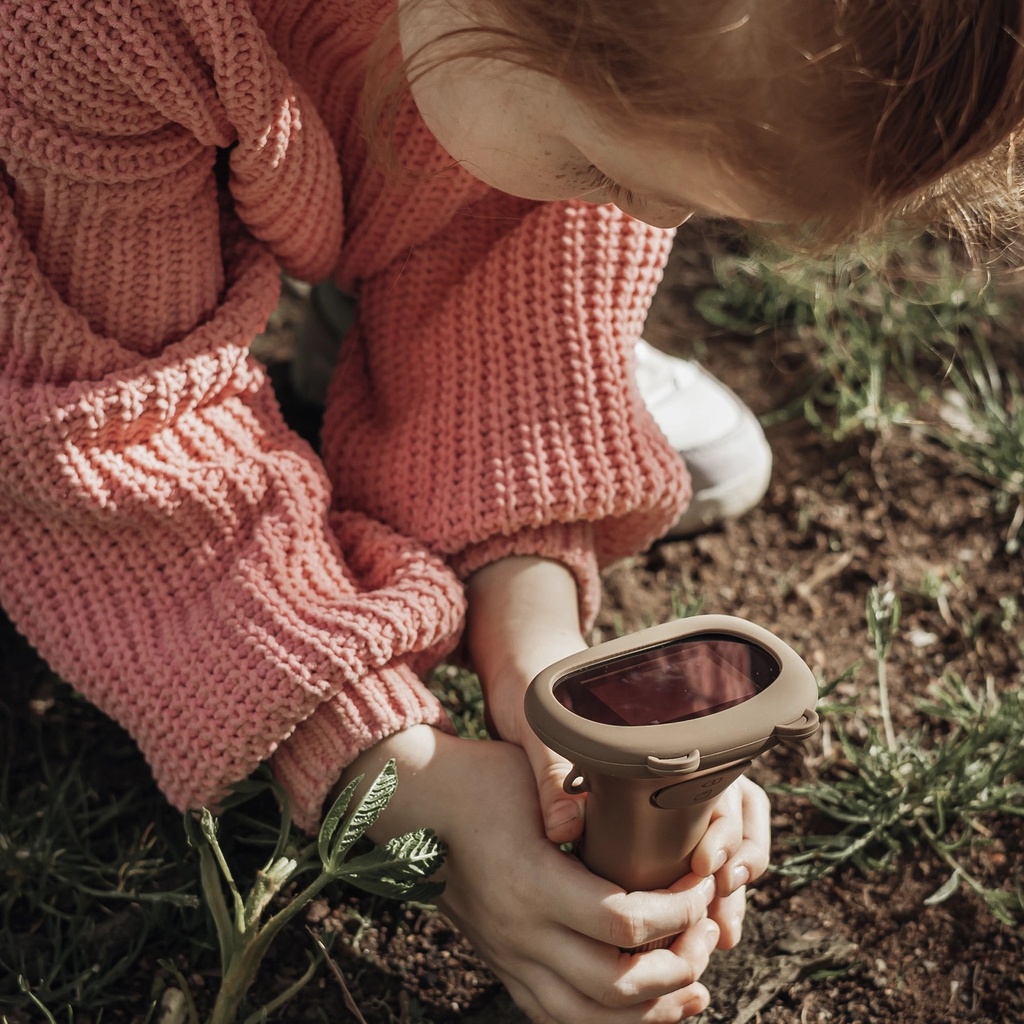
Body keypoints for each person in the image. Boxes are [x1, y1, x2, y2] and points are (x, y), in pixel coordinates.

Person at [1, 2, 1022, 1021]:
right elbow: (104, 436)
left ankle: (384, 326)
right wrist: (396, 773)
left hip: (401, 80)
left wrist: (533, 646)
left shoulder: (524, 36)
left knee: (509, 170)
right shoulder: (86, 25)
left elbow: (506, 231)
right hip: (61, 216)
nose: (654, 228)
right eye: (610, 181)